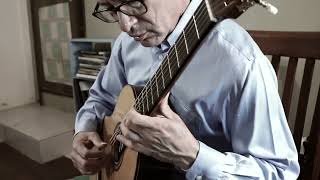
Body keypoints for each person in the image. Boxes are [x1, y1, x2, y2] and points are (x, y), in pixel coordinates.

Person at [70, 0, 300, 179]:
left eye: (133, 2)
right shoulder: (126, 44)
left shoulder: (240, 62)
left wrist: (194, 156)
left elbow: (280, 172)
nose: (125, 25)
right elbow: (101, 98)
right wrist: (84, 130)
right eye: (111, 8)